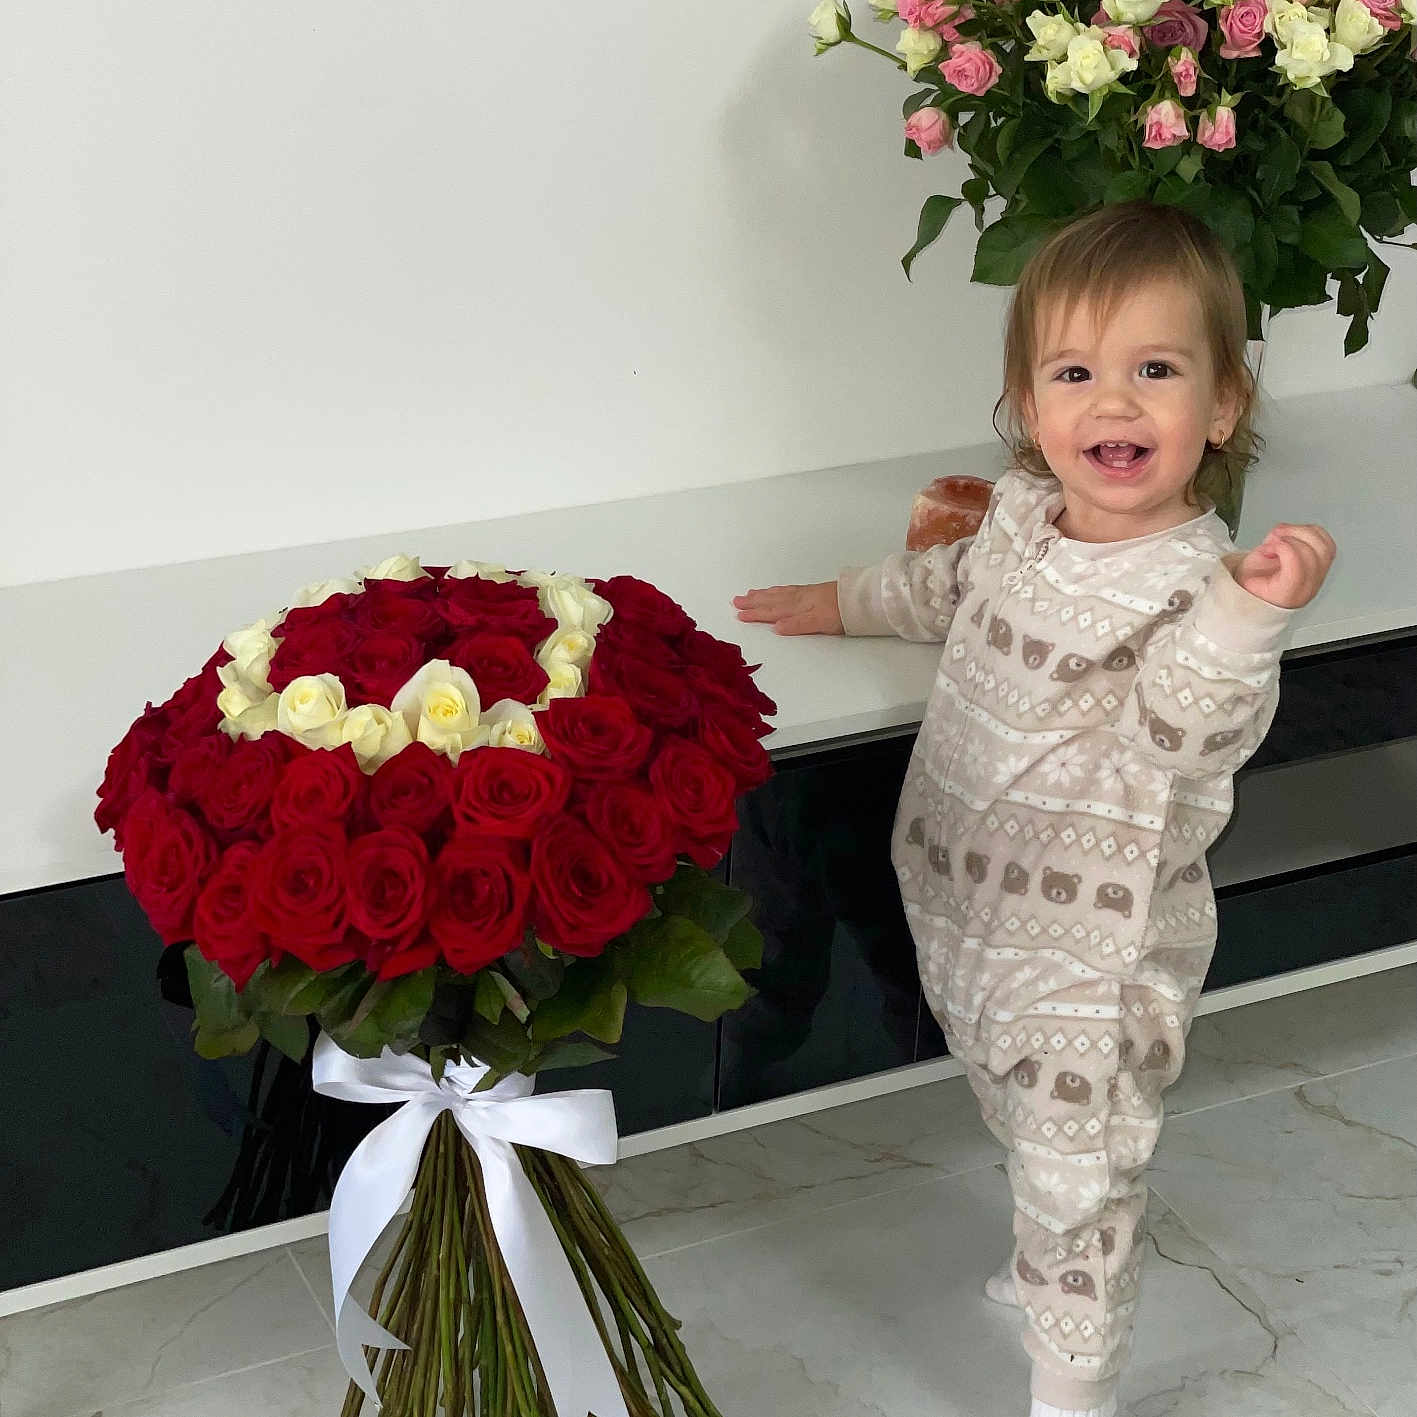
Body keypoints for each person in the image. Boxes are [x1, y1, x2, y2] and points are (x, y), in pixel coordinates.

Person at [731, 200, 1336, 1417]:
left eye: (1153, 371)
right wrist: (840, 598)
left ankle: (1073, 1379)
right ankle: (1040, 1250)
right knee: (1014, 1109)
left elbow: (1188, 724)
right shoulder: (1019, 515)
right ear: (1029, 402)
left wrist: (1249, 617)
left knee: (1079, 1175)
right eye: (1076, 373)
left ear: (1219, 408)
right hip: (963, 897)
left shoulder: (1192, 586)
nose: (1112, 405)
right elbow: (947, 585)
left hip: (1089, 947)